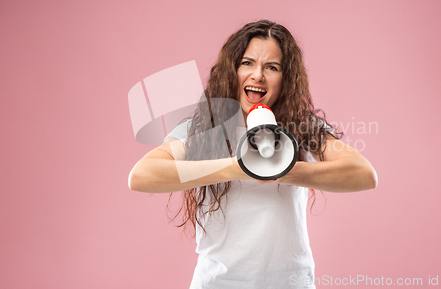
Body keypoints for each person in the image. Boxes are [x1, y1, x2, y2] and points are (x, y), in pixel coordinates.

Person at [128, 20, 377, 288]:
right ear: (231, 71)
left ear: (286, 79)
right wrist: (240, 167)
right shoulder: (202, 128)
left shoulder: (302, 127)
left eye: (272, 67)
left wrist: (283, 170)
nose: (257, 75)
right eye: (247, 63)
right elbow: (141, 176)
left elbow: (363, 173)